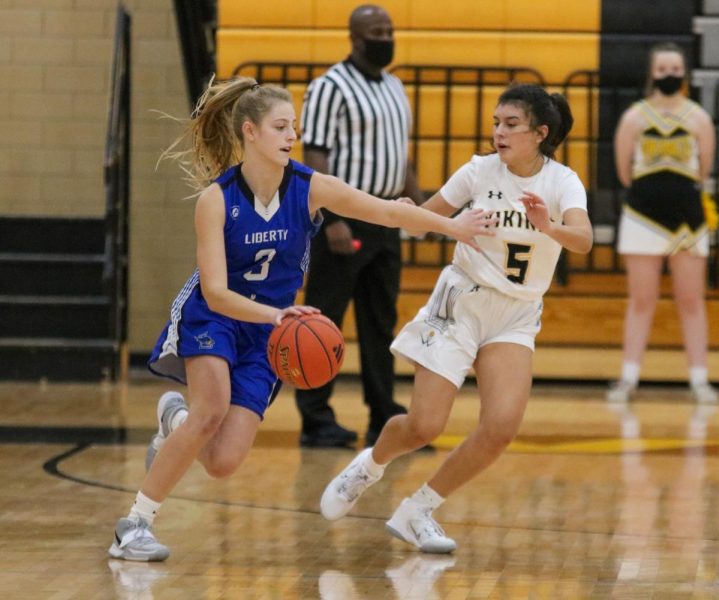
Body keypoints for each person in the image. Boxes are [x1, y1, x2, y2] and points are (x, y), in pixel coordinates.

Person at [106, 77, 495, 562]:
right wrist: (278, 315)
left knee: (224, 462)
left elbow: (388, 215)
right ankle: (136, 524)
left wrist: (452, 226)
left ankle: (173, 419)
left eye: (295, 126)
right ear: (250, 132)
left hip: (270, 329)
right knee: (212, 409)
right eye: (281, 126)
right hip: (217, 315)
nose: (292, 135)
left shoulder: (310, 188)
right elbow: (217, 292)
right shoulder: (216, 201)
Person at [317, 83, 594, 553]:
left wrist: (549, 226)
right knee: (425, 426)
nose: (498, 132)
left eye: (511, 124)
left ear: (539, 134)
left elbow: (584, 240)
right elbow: (420, 221)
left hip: (516, 313)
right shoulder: (479, 170)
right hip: (461, 300)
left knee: (501, 427)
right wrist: (409, 214)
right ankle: (369, 466)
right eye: (495, 122)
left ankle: (418, 510)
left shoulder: (562, 181)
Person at [294, 4, 424, 449]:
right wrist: (331, 217)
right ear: (355, 38)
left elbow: (400, 154)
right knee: (323, 319)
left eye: (389, 29)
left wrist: (419, 208)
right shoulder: (329, 87)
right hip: (346, 220)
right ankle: (315, 418)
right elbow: (315, 155)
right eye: (377, 31)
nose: (385, 37)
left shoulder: (395, 86)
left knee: (380, 322)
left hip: (388, 218)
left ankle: (384, 416)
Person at [606, 42, 719, 405]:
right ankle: (628, 378)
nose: (669, 75)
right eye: (663, 69)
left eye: (675, 69)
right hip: (642, 216)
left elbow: (703, 170)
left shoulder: (699, 118)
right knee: (641, 300)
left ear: (683, 73)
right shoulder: (634, 118)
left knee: (691, 300)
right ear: (652, 74)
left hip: (687, 219)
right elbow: (624, 172)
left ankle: (699, 380)